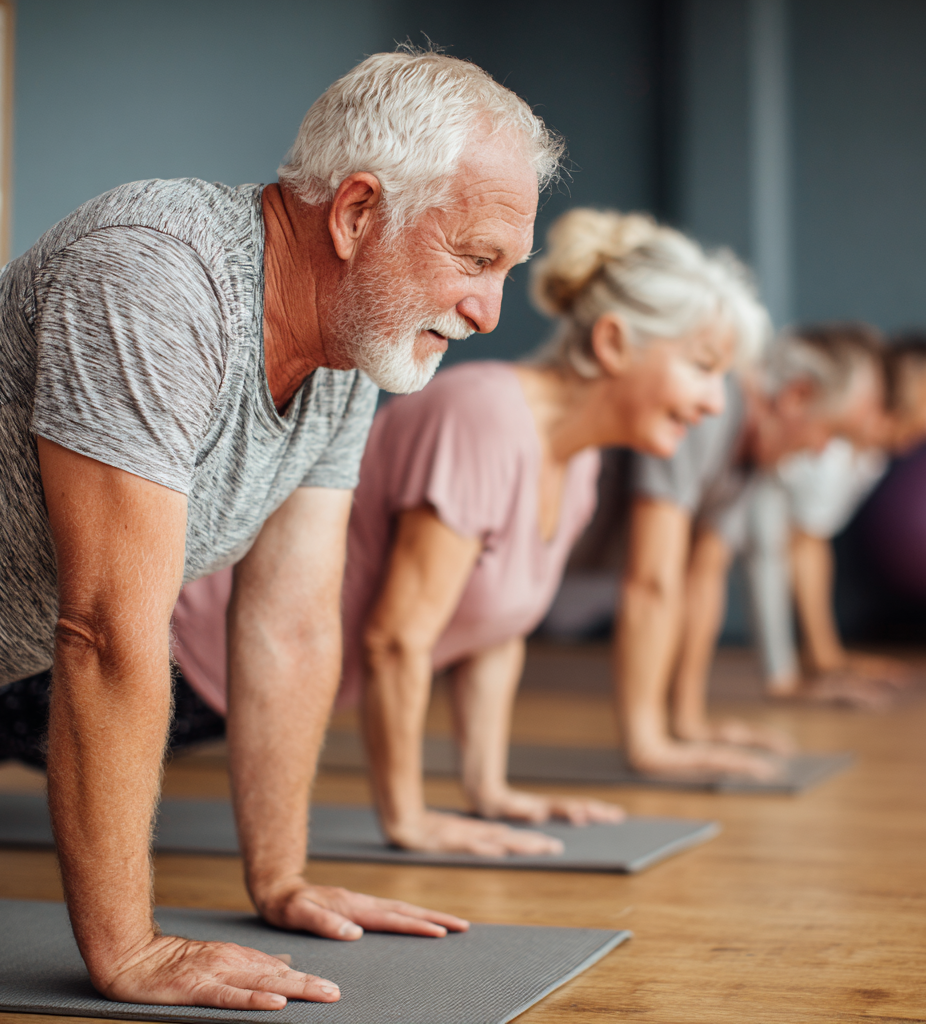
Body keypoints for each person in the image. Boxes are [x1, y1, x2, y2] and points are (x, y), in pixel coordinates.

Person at [0, 49, 562, 1009]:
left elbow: (290, 618)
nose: (490, 311)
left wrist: (280, 879)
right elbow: (108, 632)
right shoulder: (158, 275)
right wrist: (130, 951)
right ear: (359, 214)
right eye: (475, 259)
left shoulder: (351, 356)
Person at [173, 208, 771, 856]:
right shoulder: (481, 416)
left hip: (233, 699)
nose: (715, 403)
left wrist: (489, 790)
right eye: (703, 366)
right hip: (174, 659)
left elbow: (496, 629)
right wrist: (408, 818)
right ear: (613, 343)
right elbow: (396, 642)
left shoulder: (578, 462)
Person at [619, 323, 889, 777]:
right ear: (797, 397)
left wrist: (689, 722)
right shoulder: (712, 409)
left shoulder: (755, 450)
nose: (822, 452)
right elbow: (650, 582)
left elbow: (702, 578)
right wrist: (648, 747)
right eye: (829, 432)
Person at [745, 330, 926, 706]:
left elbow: (812, 539)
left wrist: (829, 660)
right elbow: (799, 544)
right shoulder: (838, 441)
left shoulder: (871, 451)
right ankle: (787, 675)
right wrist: (810, 668)